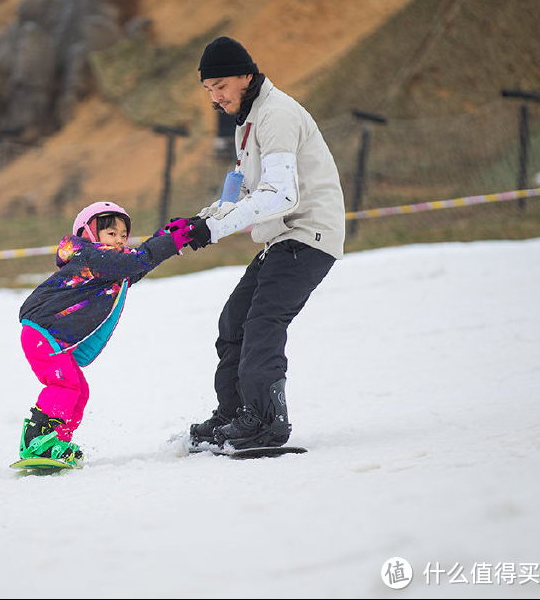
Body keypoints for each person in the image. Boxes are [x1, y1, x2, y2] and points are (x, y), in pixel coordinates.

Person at [182, 36, 346, 450]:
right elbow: (239, 194)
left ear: (247, 77)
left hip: (308, 234)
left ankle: (266, 422)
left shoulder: (276, 115)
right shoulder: (248, 120)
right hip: (283, 238)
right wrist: (199, 221)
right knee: (234, 321)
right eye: (209, 90)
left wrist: (216, 230)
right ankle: (236, 414)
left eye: (221, 86)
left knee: (261, 324)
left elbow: (280, 194)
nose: (216, 98)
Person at [17, 202, 198, 465]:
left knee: (78, 389)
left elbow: (136, 266)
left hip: (52, 336)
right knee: (64, 383)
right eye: (111, 234)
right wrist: (170, 242)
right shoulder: (92, 257)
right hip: (42, 332)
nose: (119, 241)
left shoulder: (109, 268)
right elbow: (137, 260)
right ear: (89, 234)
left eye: (123, 236)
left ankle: (57, 441)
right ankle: (37, 442)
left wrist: (166, 237)